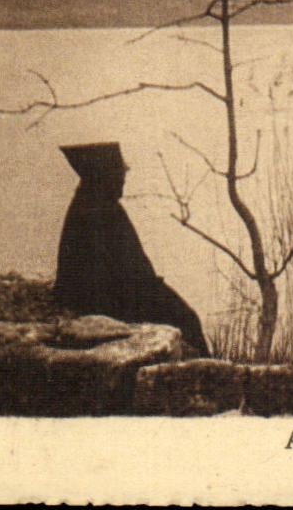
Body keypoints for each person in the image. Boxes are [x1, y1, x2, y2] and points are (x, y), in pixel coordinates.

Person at [53, 142, 210, 357]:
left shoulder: (96, 205)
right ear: (105, 175)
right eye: (119, 173)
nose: (124, 179)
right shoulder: (97, 210)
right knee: (187, 321)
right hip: (110, 300)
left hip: (118, 294)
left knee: (187, 319)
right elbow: (120, 273)